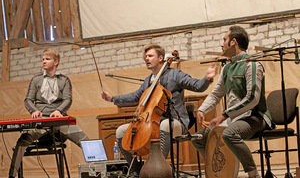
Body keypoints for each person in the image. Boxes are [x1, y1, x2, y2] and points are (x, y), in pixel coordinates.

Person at [101, 44, 217, 177]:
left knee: (165, 125)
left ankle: (159, 168)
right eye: (145, 57)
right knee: (121, 131)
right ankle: (136, 168)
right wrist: (112, 98)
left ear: (161, 58)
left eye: (150, 56)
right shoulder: (149, 80)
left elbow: (197, 86)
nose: (146, 59)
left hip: (176, 122)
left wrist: (207, 78)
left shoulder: (175, 74)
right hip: (151, 122)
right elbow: (135, 96)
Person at [191, 26, 274, 178]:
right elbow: (216, 93)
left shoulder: (253, 65)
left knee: (230, 134)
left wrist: (224, 115)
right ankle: (222, 169)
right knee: (198, 138)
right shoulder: (227, 67)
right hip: (233, 118)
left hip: (256, 116)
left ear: (233, 42)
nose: (222, 44)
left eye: (224, 40)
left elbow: (252, 99)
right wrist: (201, 110)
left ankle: (253, 174)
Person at [8, 49, 89, 178]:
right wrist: (34, 110)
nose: (44, 61)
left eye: (47, 59)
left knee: (86, 142)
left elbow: (68, 99)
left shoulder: (64, 80)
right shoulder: (36, 79)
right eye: (43, 59)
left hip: (60, 121)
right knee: (21, 142)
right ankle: (11, 176)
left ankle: (103, 171)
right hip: (40, 122)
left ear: (56, 62)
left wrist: (59, 111)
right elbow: (28, 100)